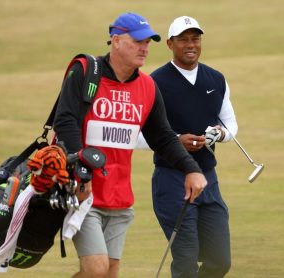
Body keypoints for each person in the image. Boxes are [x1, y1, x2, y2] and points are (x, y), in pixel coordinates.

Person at [53, 12, 207, 278]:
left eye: (148, 42)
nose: (145, 48)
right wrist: (80, 166)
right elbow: (64, 121)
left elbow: (163, 136)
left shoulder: (147, 86)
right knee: (96, 269)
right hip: (83, 192)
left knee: (110, 272)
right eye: (138, 41)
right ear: (116, 40)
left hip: (120, 197)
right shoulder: (85, 72)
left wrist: (191, 169)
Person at [148, 16, 238, 277]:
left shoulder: (216, 79)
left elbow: (231, 126)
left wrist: (219, 135)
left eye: (195, 38)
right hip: (172, 180)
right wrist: (176, 140)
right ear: (169, 43)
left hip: (209, 180)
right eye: (183, 39)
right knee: (186, 261)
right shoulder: (154, 83)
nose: (191, 44)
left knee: (220, 261)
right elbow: (138, 135)